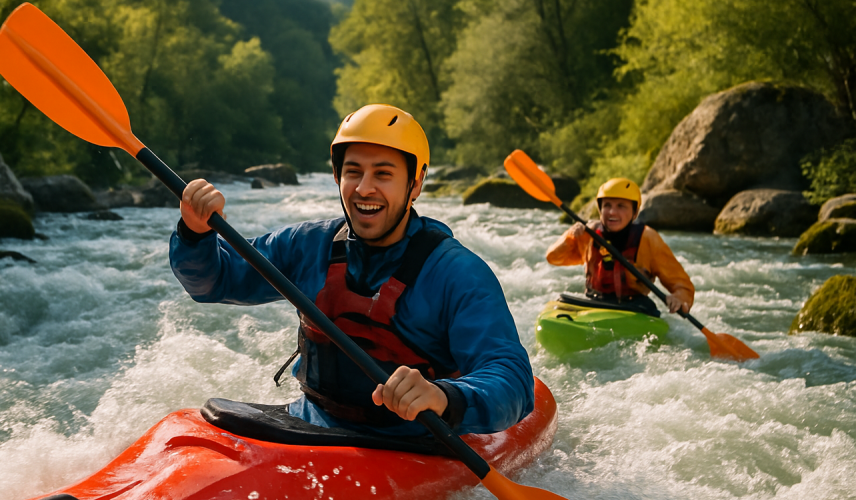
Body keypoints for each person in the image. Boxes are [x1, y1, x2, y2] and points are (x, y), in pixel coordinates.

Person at [169, 104, 534, 438]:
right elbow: (214, 281)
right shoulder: (307, 245)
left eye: (384, 174)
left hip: (414, 440)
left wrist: (443, 396)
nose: (364, 188)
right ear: (336, 176)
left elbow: (511, 378)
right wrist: (194, 233)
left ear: (416, 183)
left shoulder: (458, 273)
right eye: (353, 172)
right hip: (314, 424)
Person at [545, 177, 695, 317]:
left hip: (634, 307)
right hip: (594, 302)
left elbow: (683, 286)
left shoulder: (648, 238)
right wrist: (571, 236)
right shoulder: (588, 233)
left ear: (635, 212)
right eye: (607, 205)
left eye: (621, 206)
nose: (612, 212)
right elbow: (553, 257)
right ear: (600, 209)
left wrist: (678, 298)